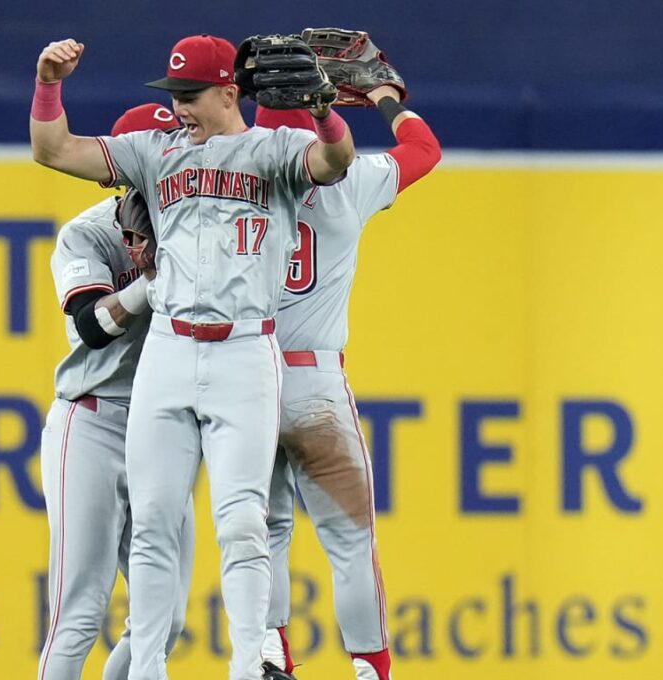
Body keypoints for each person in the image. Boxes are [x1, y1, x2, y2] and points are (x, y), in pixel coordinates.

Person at [29, 34, 355, 680]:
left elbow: (336, 161)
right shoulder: (155, 156)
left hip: (243, 350)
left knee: (241, 521)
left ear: (231, 92)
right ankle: (147, 672)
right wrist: (48, 84)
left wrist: (324, 109)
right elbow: (53, 149)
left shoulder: (272, 152)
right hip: (167, 354)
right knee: (151, 525)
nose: (178, 107)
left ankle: (246, 665)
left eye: (190, 94)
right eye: (173, 95)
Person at [253, 82, 441, 680]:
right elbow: (425, 149)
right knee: (350, 543)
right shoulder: (351, 180)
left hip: (247, 376)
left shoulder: (236, 183)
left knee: (263, 533)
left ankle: (269, 652)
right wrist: (385, 98)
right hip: (316, 385)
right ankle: (368, 670)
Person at [36, 103, 196, 680]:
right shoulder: (90, 232)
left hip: (164, 425)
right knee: (79, 609)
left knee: (168, 616)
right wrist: (149, 287)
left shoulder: (203, 229)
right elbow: (89, 327)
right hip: (93, 419)